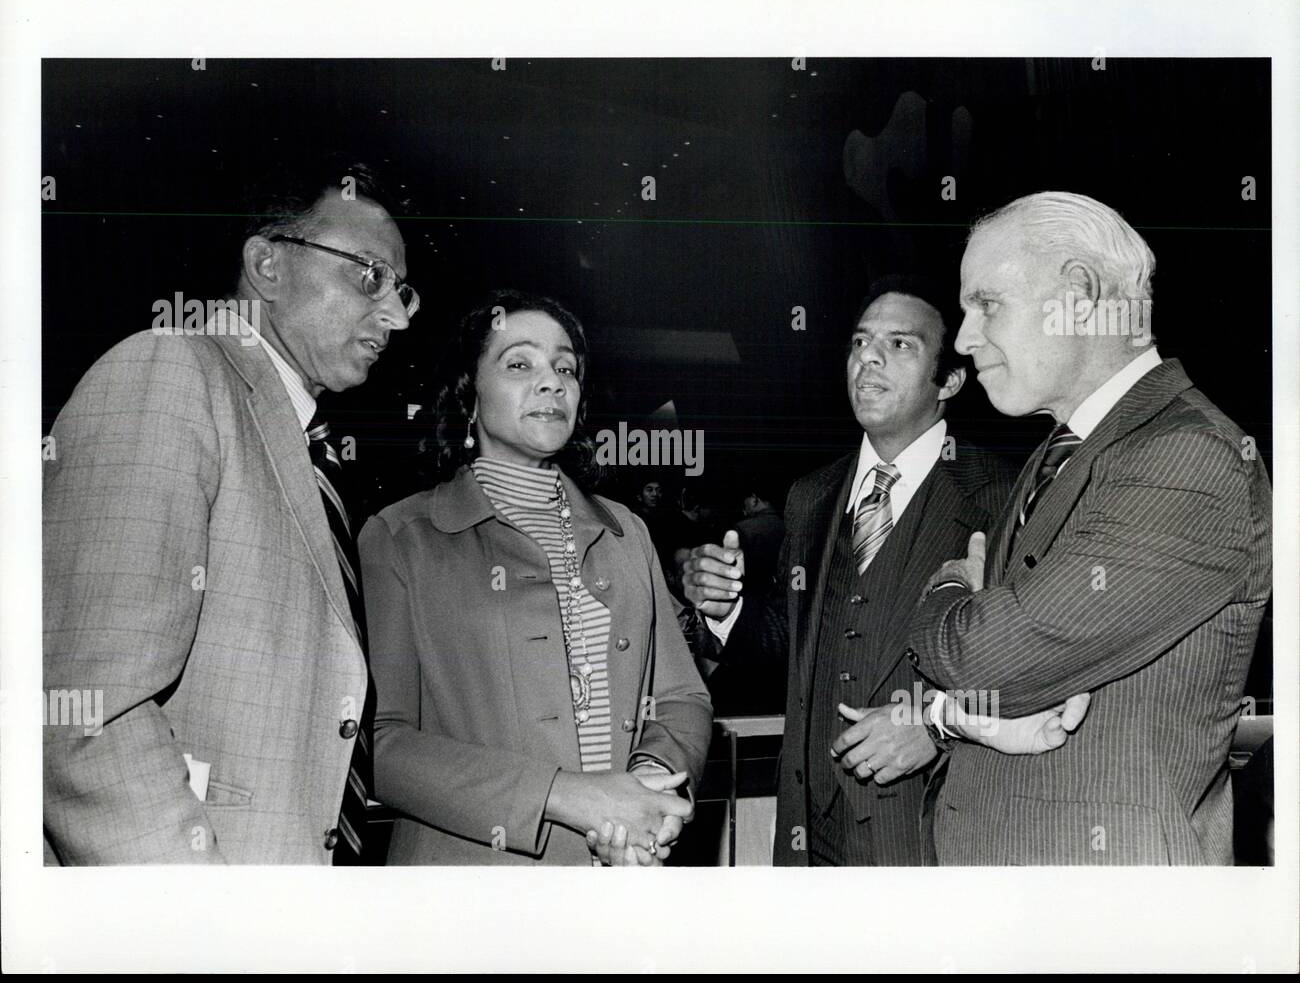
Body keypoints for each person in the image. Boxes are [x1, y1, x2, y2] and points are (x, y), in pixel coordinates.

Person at [43, 159, 416, 863]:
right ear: (267, 265)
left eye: (402, 291)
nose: (395, 314)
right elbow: (83, 716)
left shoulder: (309, 447)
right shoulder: (169, 370)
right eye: (369, 274)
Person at [906, 191, 1272, 864]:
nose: (962, 337)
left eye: (986, 303)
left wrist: (948, 588)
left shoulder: (1186, 458)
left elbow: (983, 659)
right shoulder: (1062, 452)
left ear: (1077, 293)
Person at [684, 276, 1033, 865]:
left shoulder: (1005, 499)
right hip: (808, 833)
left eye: (900, 345)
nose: (867, 357)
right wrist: (726, 611)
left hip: (932, 832)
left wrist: (934, 726)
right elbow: (791, 643)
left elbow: (1040, 667)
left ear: (949, 380)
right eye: (859, 342)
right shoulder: (811, 496)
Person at [358, 291, 713, 866]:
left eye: (565, 368)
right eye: (519, 364)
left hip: (617, 876)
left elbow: (681, 697)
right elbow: (382, 744)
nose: (551, 382)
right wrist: (569, 796)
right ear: (468, 396)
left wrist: (647, 789)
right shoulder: (400, 537)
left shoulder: (626, 531)